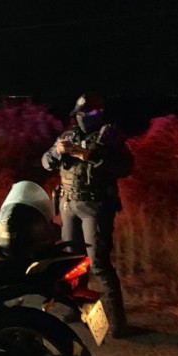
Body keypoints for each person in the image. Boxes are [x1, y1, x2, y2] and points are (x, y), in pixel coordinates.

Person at [41, 93, 133, 338]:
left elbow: (125, 167)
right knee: (73, 262)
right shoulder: (68, 135)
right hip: (68, 204)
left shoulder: (110, 135)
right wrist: (57, 152)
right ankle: (77, 309)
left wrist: (90, 156)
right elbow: (45, 162)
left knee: (98, 263)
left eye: (89, 113)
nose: (84, 117)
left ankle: (118, 323)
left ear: (99, 113)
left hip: (95, 205)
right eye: (81, 113)